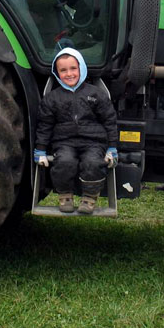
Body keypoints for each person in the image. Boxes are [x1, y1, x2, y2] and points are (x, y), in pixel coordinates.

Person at [33, 47, 118, 214]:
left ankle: (90, 197)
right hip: (64, 142)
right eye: (63, 70)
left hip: (93, 142)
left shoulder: (96, 94)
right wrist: (40, 150)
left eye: (73, 68)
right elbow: (45, 125)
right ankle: (65, 195)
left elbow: (109, 121)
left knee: (93, 163)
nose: (69, 74)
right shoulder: (52, 98)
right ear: (56, 73)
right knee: (64, 162)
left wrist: (112, 147)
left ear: (81, 68)